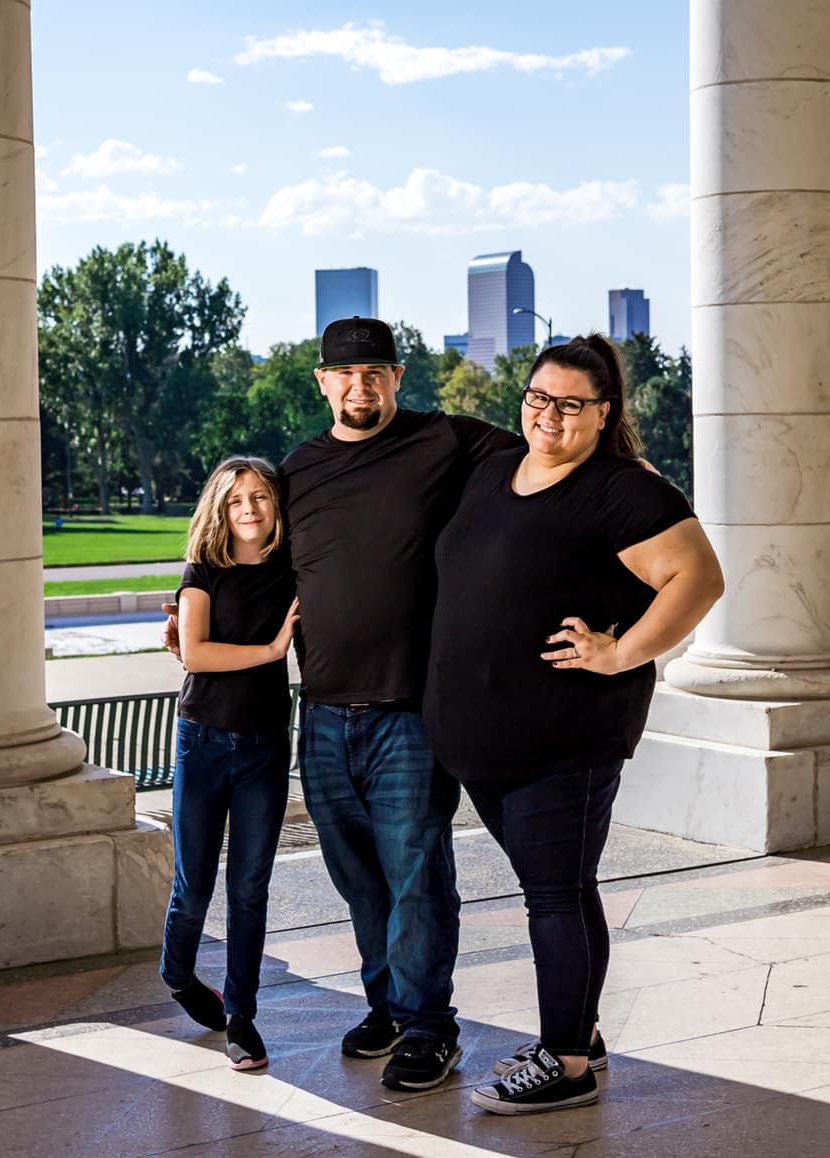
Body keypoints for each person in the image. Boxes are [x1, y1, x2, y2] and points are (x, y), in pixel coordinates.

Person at [166, 315, 521, 1092]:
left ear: (397, 377)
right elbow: (248, 557)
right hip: (322, 716)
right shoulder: (298, 471)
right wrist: (187, 615)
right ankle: (387, 1005)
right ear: (323, 382)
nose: (361, 388)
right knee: (358, 877)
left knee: (417, 871)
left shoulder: (446, 442)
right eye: (345, 375)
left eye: (376, 374)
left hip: (408, 715)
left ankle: (430, 1027)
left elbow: (546, 455)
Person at [425, 335, 723, 1116]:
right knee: (559, 889)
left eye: (568, 404)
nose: (548, 416)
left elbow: (699, 578)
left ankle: (565, 1064)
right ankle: (578, 1033)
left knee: (555, 897)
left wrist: (621, 653)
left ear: (604, 413)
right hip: (482, 744)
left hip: (566, 740)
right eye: (536, 397)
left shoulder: (624, 491)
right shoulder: (494, 468)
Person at [160, 456, 301, 1072]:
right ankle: (177, 973)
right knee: (194, 884)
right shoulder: (203, 571)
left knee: (249, 886)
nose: (249, 509)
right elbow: (195, 653)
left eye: (260, 498)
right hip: (204, 740)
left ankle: (241, 1017)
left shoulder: (293, 572)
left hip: (267, 745)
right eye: (237, 499)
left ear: (276, 507)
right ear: (220, 509)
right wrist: (272, 650)